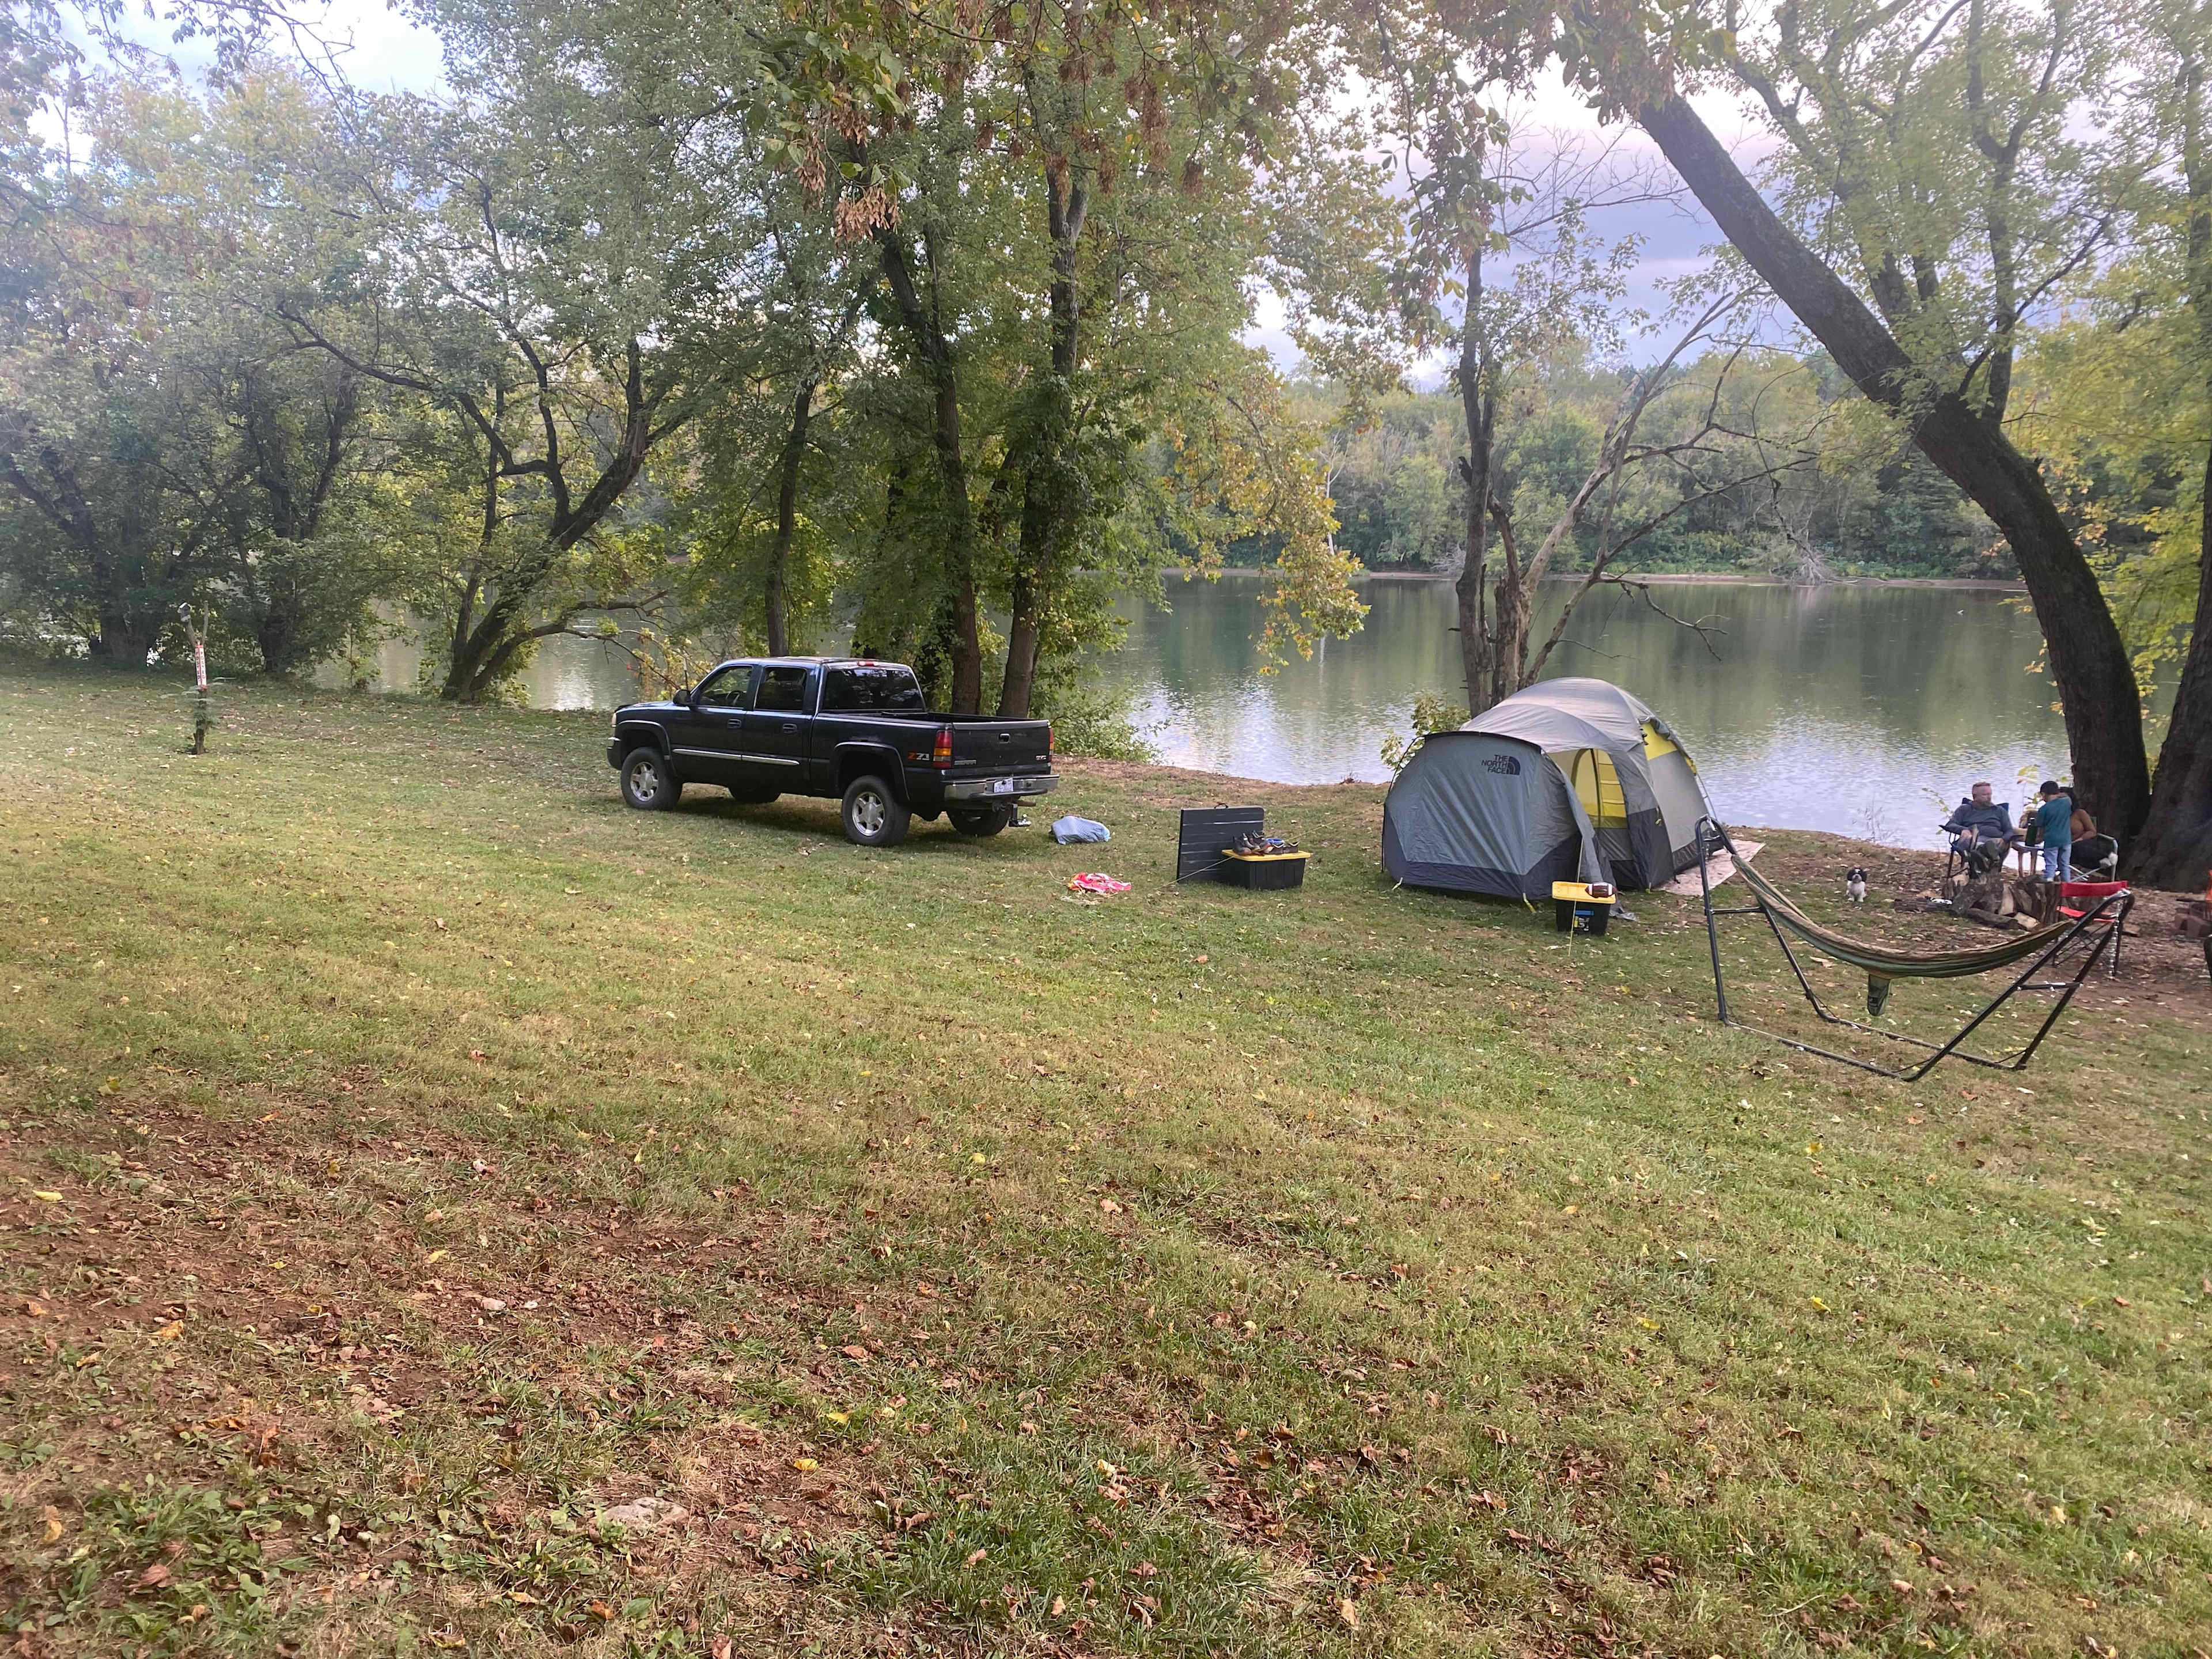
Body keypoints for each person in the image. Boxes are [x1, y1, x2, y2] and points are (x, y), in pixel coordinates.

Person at [1941, 783, 2018, 868]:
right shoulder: (1964, 809)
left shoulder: (1999, 811)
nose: (1989, 797)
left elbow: (2009, 830)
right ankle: (1982, 856)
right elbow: (1950, 825)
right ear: (1975, 796)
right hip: (1972, 840)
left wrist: (2004, 839)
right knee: (1971, 841)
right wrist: (1963, 830)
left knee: (1991, 845)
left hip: (1994, 840)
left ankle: (1980, 858)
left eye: (1990, 794)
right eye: (1985, 795)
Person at [2032, 781, 2073, 882]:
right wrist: (2058, 795)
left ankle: (2049, 884)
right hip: (2066, 840)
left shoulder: (2043, 810)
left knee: (2051, 864)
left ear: (2044, 794)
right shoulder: (2067, 802)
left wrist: (2038, 839)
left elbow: (2040, 829)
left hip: (2051, 841)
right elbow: (2066, 795)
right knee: (2065, 865)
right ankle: (2067, 887)